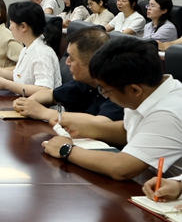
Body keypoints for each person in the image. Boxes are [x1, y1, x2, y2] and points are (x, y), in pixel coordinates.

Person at [42, 36, 182, 180]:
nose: (105, 95)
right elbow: (128, 130)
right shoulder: (147, 91)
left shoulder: (168, 113)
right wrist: (86, 128)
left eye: (105, 90)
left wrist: (66, 149)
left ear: (134, 90)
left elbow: (121, 168)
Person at [13, 27, 123, 122]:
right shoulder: (84, 83)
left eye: (72, 58)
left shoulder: (118, 90)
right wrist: (27, 103)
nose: (67, 62)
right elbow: (51, 94)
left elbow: (101, 122)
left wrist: (43, 112)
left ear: (93, 63)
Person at [0, 1, 62, 96]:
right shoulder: (26, 49)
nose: (10, 28)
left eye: (11, 23)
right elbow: (19, 76)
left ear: (23, 26)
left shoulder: (42, 53)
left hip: (36, 104)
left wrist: (7, 84)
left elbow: (44, 90)